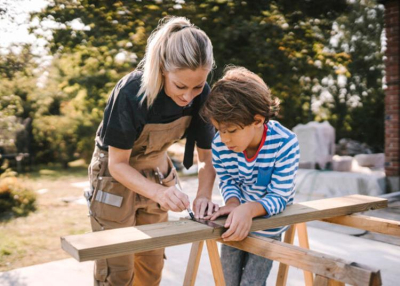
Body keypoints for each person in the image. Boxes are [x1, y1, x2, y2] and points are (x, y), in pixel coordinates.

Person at [86, 17, 218, 286]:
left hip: (158, 170)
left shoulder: (201, 94)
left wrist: (203, 195)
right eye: (180, 86)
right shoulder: (131, 92)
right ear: (161, 69)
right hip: (114, 177)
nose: (188, 97)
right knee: (117, 270)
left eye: (197, 86)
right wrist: (160, 193)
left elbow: (207, 158)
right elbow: (118, 164)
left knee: (151, 266)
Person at [200, 66, 300, 286]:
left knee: (251, 283)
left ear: (258, 120)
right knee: (227, 281)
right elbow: (228, 180)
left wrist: (249, 209)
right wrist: (234, 203)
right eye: (219, 129)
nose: (224, 139)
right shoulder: (220, 144)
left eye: (231, 130)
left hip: (268, 224)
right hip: (236, 220)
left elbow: (280, 196)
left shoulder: (285, 143)